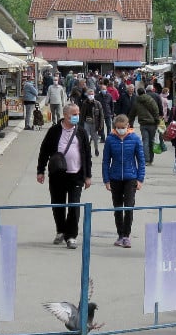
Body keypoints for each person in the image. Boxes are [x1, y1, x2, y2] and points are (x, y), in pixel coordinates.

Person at [37, 104, 93, 249]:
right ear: (65, 115)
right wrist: (40, 170)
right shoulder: (54, 131)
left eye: (78, 113)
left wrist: (88, 176)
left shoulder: (81, 131)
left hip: (76, 175)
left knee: (74, 205)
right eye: (74, 114)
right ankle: (61, 230)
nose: (77, 116)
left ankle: (71, 235)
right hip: (58, 175)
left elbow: (87, 154)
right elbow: (44, 151)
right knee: (58, 204)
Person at [102, 114, 145, 248]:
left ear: (128, 126)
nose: (121, 130)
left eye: (123, 127)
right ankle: (120, 235)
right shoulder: (110, 139)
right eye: (118, 128)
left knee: (129, 206)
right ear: (115, 127)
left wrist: (140, 179)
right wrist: (106, 180)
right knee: (118, 208)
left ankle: (126, 235)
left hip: (130, 178)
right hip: (115, 178)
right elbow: (105, 161)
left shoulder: (135, 139)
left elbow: (141, 160)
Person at [129, 86, 161, 166]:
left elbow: (132, 113)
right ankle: (151, 159)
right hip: (152, 124)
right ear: (145, 92)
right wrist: (157, 121)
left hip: (143, 124)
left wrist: (130, 123)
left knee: (145, 141)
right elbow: (155, 110)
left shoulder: (136, 101)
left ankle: (146, 160)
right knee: (151, 141)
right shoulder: (150, 100)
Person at [79, 88, 105, 157]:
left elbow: (101, 115)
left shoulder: (97, 103)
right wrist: (80, 124)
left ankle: (96, 149)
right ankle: (89, 152)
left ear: (94, 94)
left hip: (94, 123)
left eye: (92, 94)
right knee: (87, 138)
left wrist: (101, 125)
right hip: (86, 123)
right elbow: (82, 114)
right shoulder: (84, 103)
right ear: (87, 95)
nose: (91, 95)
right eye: (89, 94)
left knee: (95, 139)